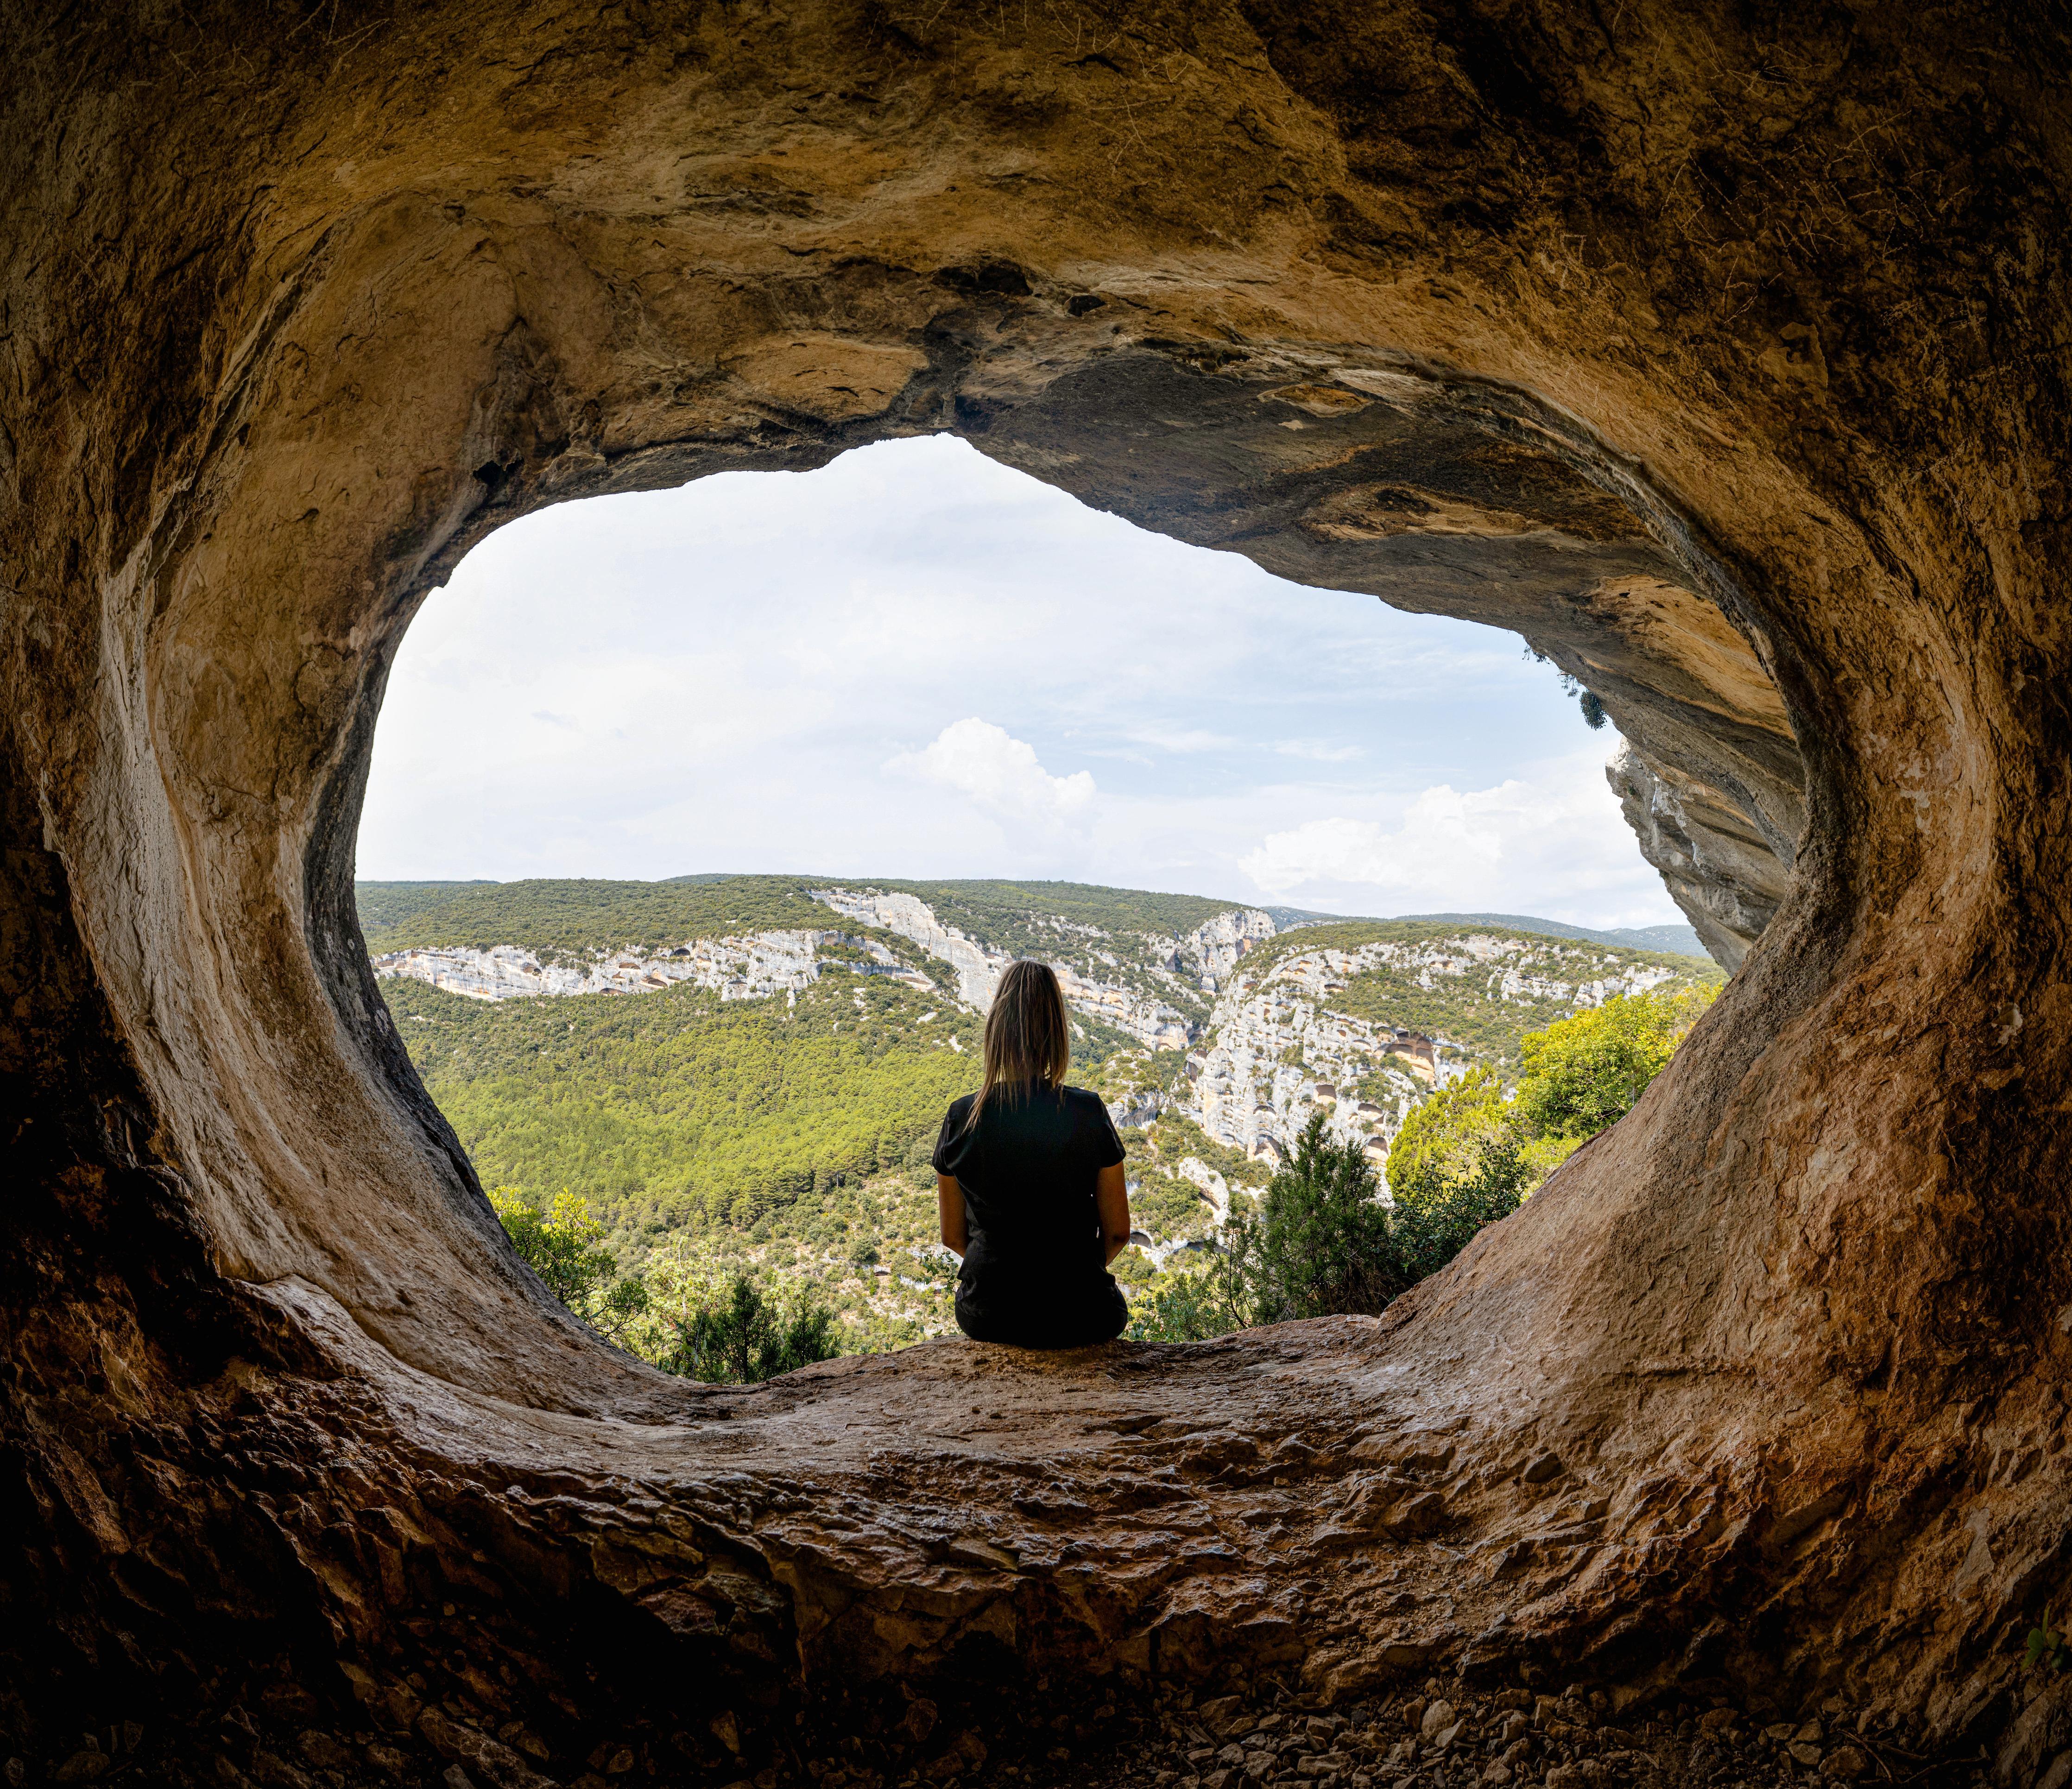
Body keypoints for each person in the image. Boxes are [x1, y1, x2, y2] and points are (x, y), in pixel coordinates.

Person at [931, 959, 1133, 1347]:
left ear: (997, 1029)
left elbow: (952, 1235)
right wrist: (1070, 1274)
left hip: (990, 1313)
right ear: (1056, 1032)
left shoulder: (961, 1117)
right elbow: (1118, 1232)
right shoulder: (1087, 1112)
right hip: (1083, 1312)